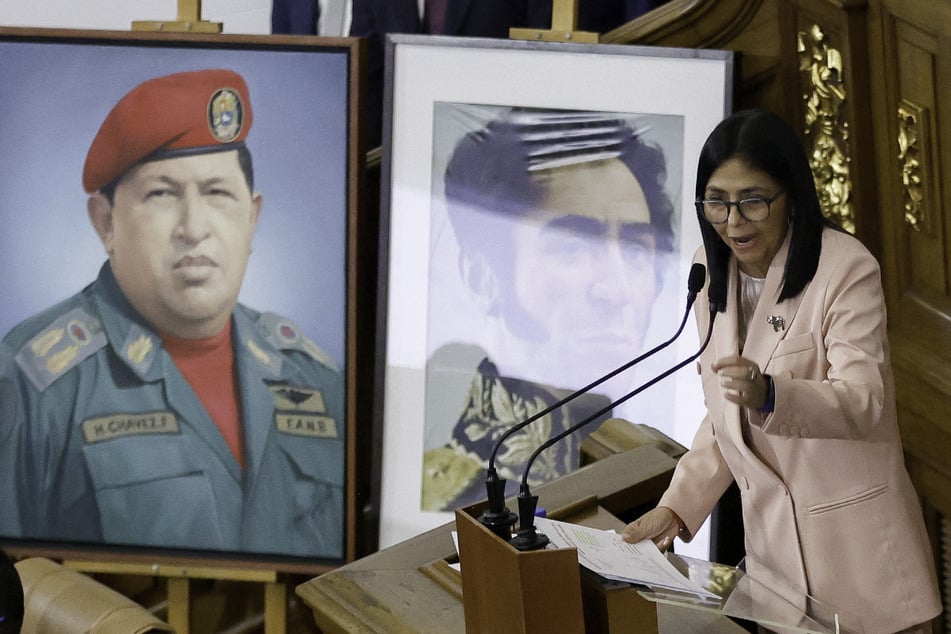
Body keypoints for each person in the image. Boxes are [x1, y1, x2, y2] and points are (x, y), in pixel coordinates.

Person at [0, 69, 346, 560]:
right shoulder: (33, 384)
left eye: (218, 194)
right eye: (162, 194)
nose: (194, 227)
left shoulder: (316, 377)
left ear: (252, 218)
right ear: (106, 223)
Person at [620, 109, 941, 632]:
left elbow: (865, 403)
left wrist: (771, 394)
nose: (734, 221)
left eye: (752, 201)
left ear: (790, 195)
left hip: (862, 572)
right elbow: (725, 416)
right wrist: (676, 509)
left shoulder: (845, 270)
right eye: (717, 203)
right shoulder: (710, 270)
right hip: (775, 581)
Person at [422, 107, 677, 511]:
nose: (615, 289)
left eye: (634, 250)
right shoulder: (444, 500)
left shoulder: (670, 476)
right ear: (481, 275)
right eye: (574, 247)